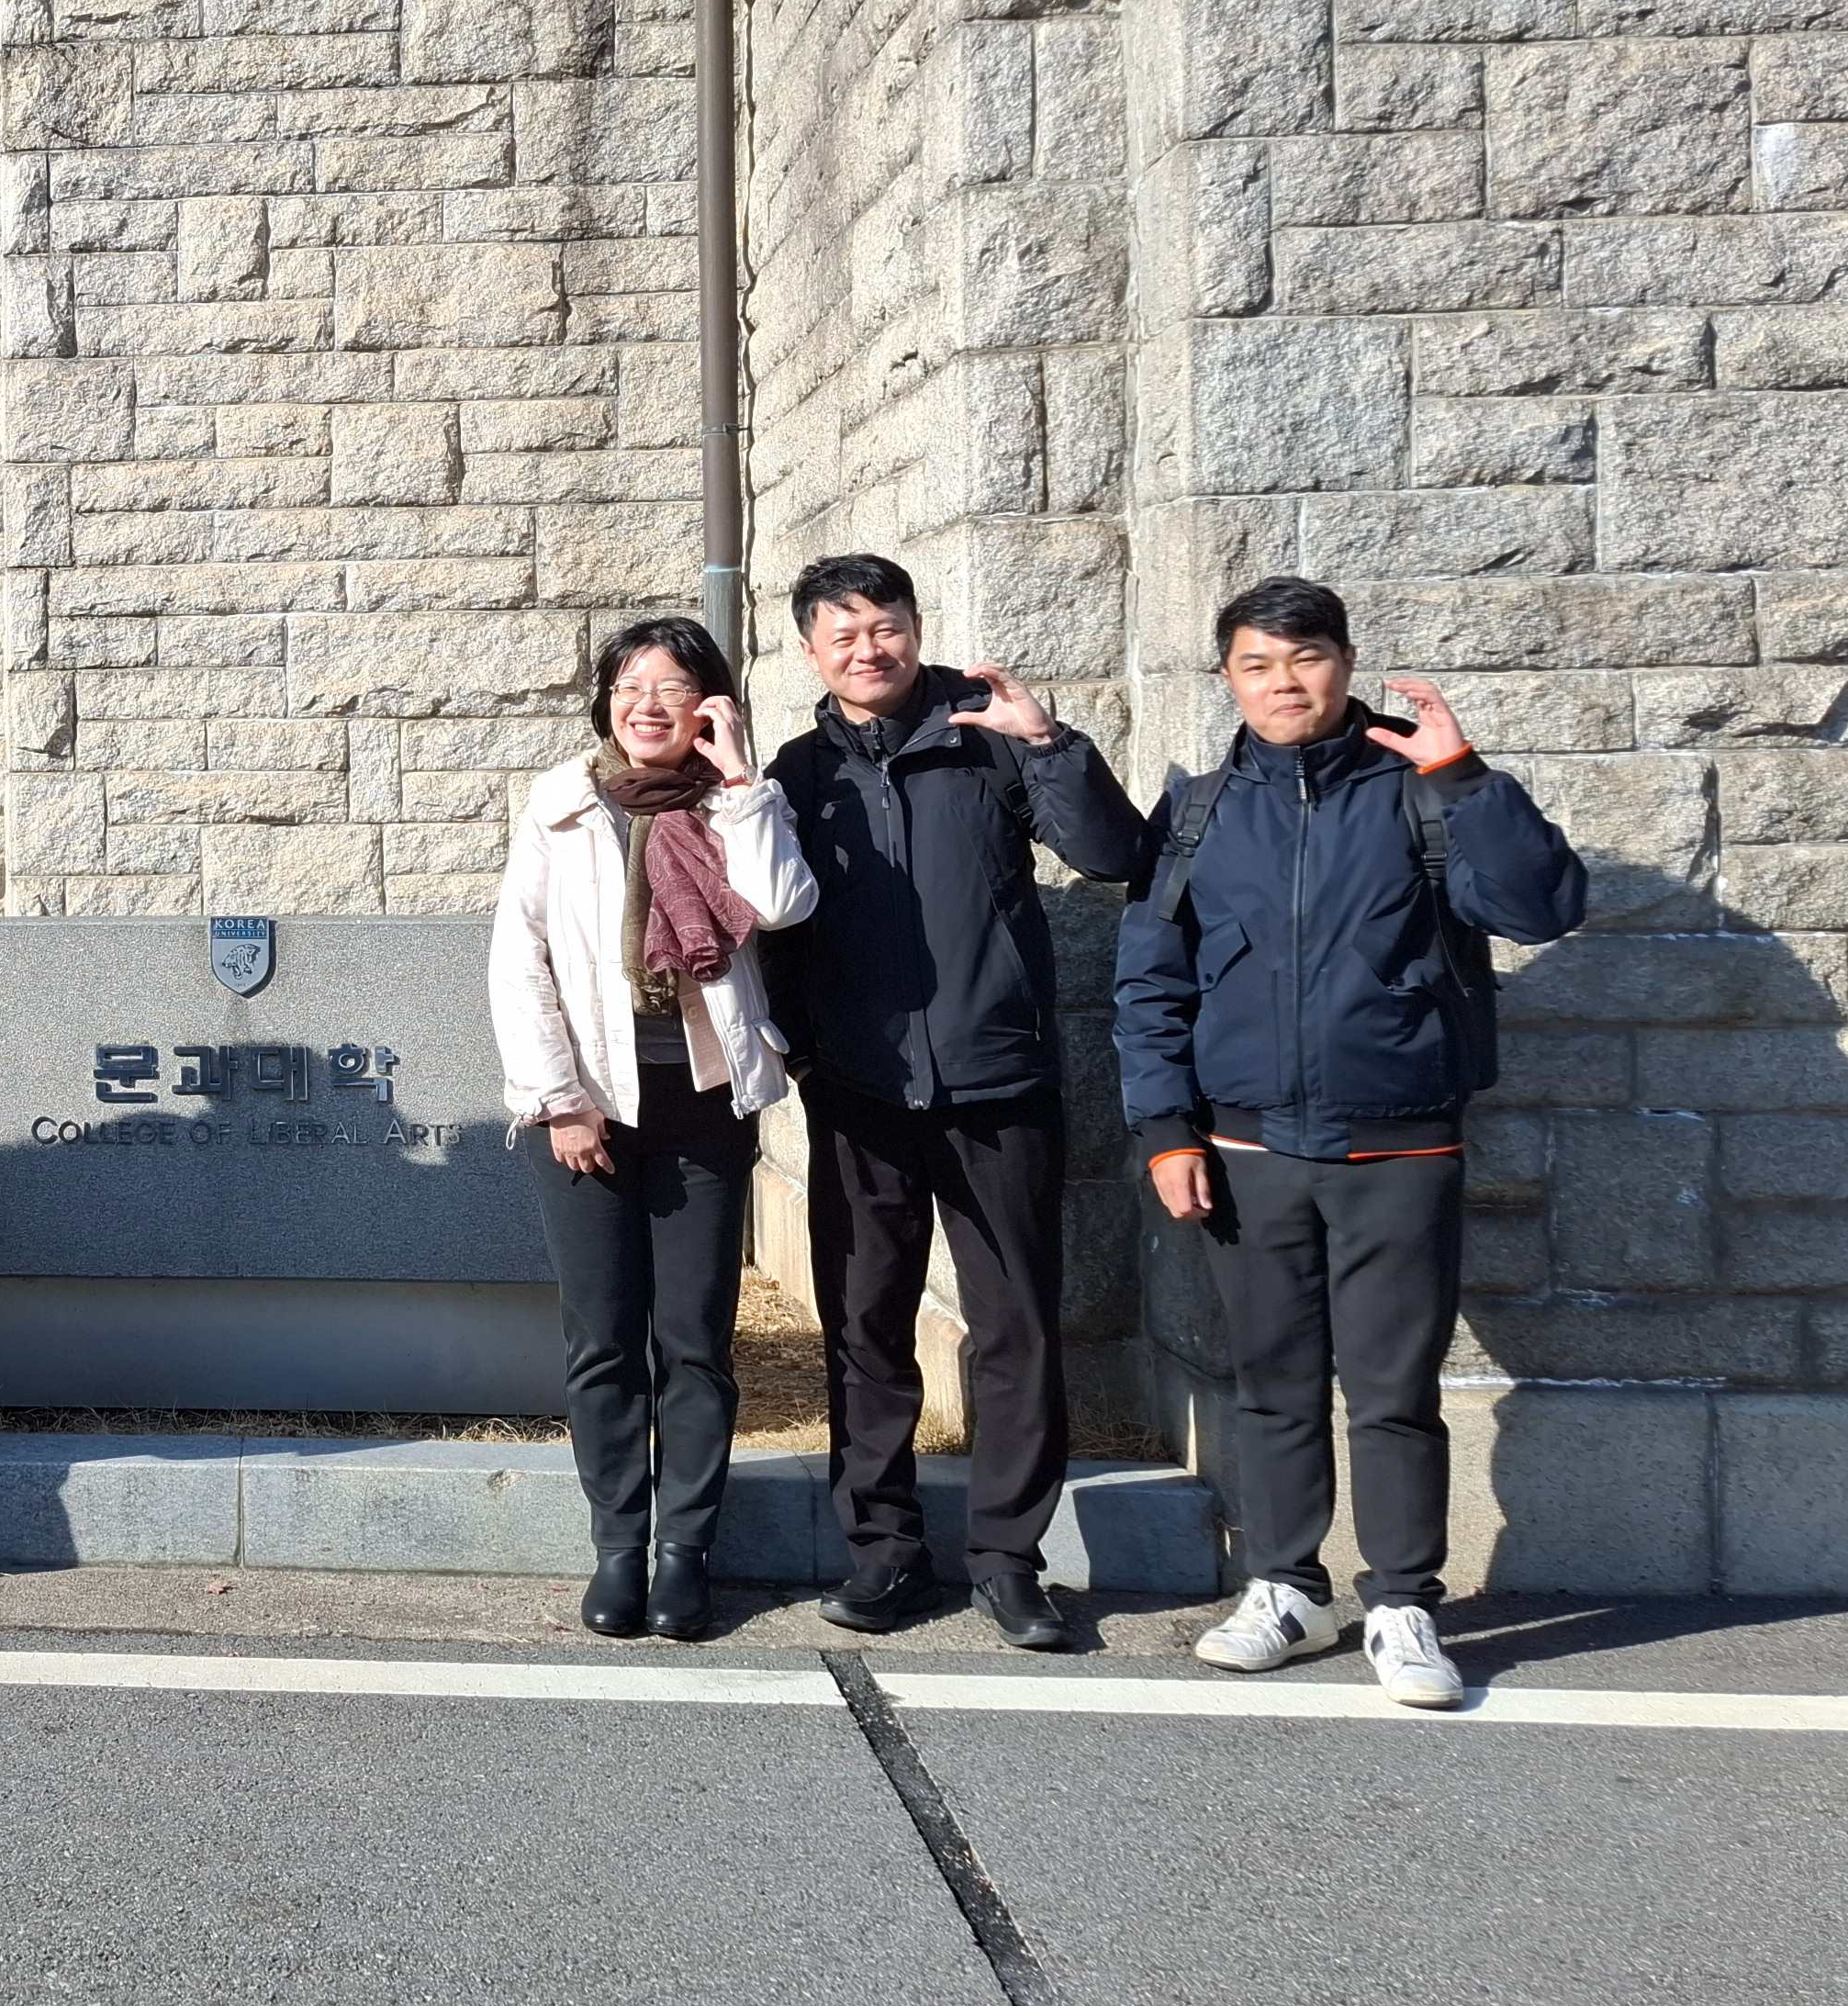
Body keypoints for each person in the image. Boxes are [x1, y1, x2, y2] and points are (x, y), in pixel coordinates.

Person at [1115, 576, 1586, 1711]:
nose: (1285, 683)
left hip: (1400, 1150)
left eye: (1306, 658)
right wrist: (1168, 1131)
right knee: (1272, 1385)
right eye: (1258, 665)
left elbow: (1543, 906)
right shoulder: (1197, 814)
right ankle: (1286, 1588)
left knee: (1392, 1392)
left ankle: (1405, 1606)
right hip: (1247, 1152)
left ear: (1345, 662)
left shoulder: (1423, 791)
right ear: (1229, 679)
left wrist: (1463, 776)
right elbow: (1151, 984)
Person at [761, 555, 1146, 1653]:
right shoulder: (799, 773)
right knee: (864, 1328)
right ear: (811, 652)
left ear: (916, 628)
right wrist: (805, 1053)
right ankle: (882, 1552)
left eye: (883, 626)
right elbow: (776, 928)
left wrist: (1050, 746)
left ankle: (1009, 1562)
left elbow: (1114, 853)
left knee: (1016, 1328)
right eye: (842, 634)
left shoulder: (989, 738)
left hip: (998, 1085)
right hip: (861, 1095)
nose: (867, 649)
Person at [489, 617, 820, 1642]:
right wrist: (558, 1098)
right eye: (631, 685)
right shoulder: (561, 805)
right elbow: (519, 960)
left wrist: (741, 780)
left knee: (694, 1341)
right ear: (605, 702)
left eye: (674, 688)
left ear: (709, 706)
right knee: (602, 1341)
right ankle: (618, 1548)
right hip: (587, 1110)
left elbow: (783, 904)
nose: (648, 705)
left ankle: (686, 1552)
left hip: (704, 1107)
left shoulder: (738, 804)